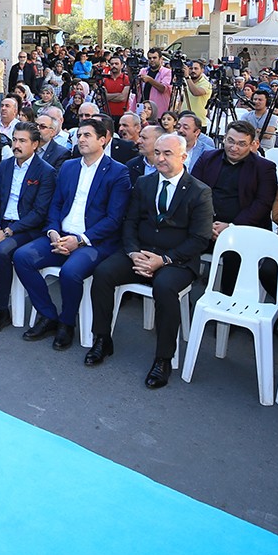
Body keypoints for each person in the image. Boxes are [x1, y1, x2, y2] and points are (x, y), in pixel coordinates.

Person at [84, 133, 215, 388]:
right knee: (103, 273)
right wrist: (133, 252)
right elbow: (130, 221)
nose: (161, 158)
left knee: (164, 288)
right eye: (157, 153)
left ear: (183, 156)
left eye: (167, 154)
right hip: (141, 253)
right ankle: (102, 339)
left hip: (177, 260)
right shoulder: (144, 183)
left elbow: (199, 239)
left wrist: (164, 259)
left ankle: (164, 358)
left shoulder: (200, 191)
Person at [14, 117, 133, 351]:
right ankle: (48, 315)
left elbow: (114, 219)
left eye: (87, 135)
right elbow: (56, 204)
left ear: (104, 139)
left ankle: (67, 323)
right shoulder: (69, 166)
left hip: (93, 242)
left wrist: (80, 240)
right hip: (62, 235)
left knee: (70, 272)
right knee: (22, 256)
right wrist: (53, 232)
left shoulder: (118, 172)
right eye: (79, 135)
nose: (81, 139)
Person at [0, 122, 58, 331]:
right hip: (1, 224)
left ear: (35, 144)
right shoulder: (5, 165)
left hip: (25, 228)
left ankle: (0, 310)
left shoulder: (45, 172)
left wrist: (7, 232)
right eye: (15, 139)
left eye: (22, 141)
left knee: (1, 251)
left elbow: (39, 213)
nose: (16, 144)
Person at [191, 120, 278, 295]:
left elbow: (263, 204)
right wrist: (207, 224)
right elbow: (193, 192)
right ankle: (186, 295)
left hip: (244, 230)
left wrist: (231, 228)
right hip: (206, 225)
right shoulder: (208, 158)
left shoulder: (264, 168)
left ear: (252, 144)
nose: (234, 148)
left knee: (235, 254)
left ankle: (228, 301)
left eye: (241, 144)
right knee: (182, 241)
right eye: (230, 141)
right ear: (224, 139)